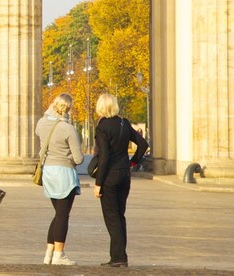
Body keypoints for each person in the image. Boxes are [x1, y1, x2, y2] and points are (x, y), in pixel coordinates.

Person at [93, 93, 149, 268]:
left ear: (101, 107)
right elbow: (143, 144)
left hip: (110, 176)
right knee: (119, 215)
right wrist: (133, 162)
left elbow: (103, 158)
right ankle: (118, 255)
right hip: (125, 174)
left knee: (111, 217)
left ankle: (118, 257)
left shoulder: (102, 127)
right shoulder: (124, 123)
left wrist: (98, 183)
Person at [36, 94, 84, 265]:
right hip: (64, 173)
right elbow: (78, 159)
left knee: (58, 214)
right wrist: (70, 156)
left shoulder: (41, 123)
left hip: (48, 172)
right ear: (68, 108)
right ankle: (59, 254)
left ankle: (49, 253)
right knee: (63, 215)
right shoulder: (67, 128)